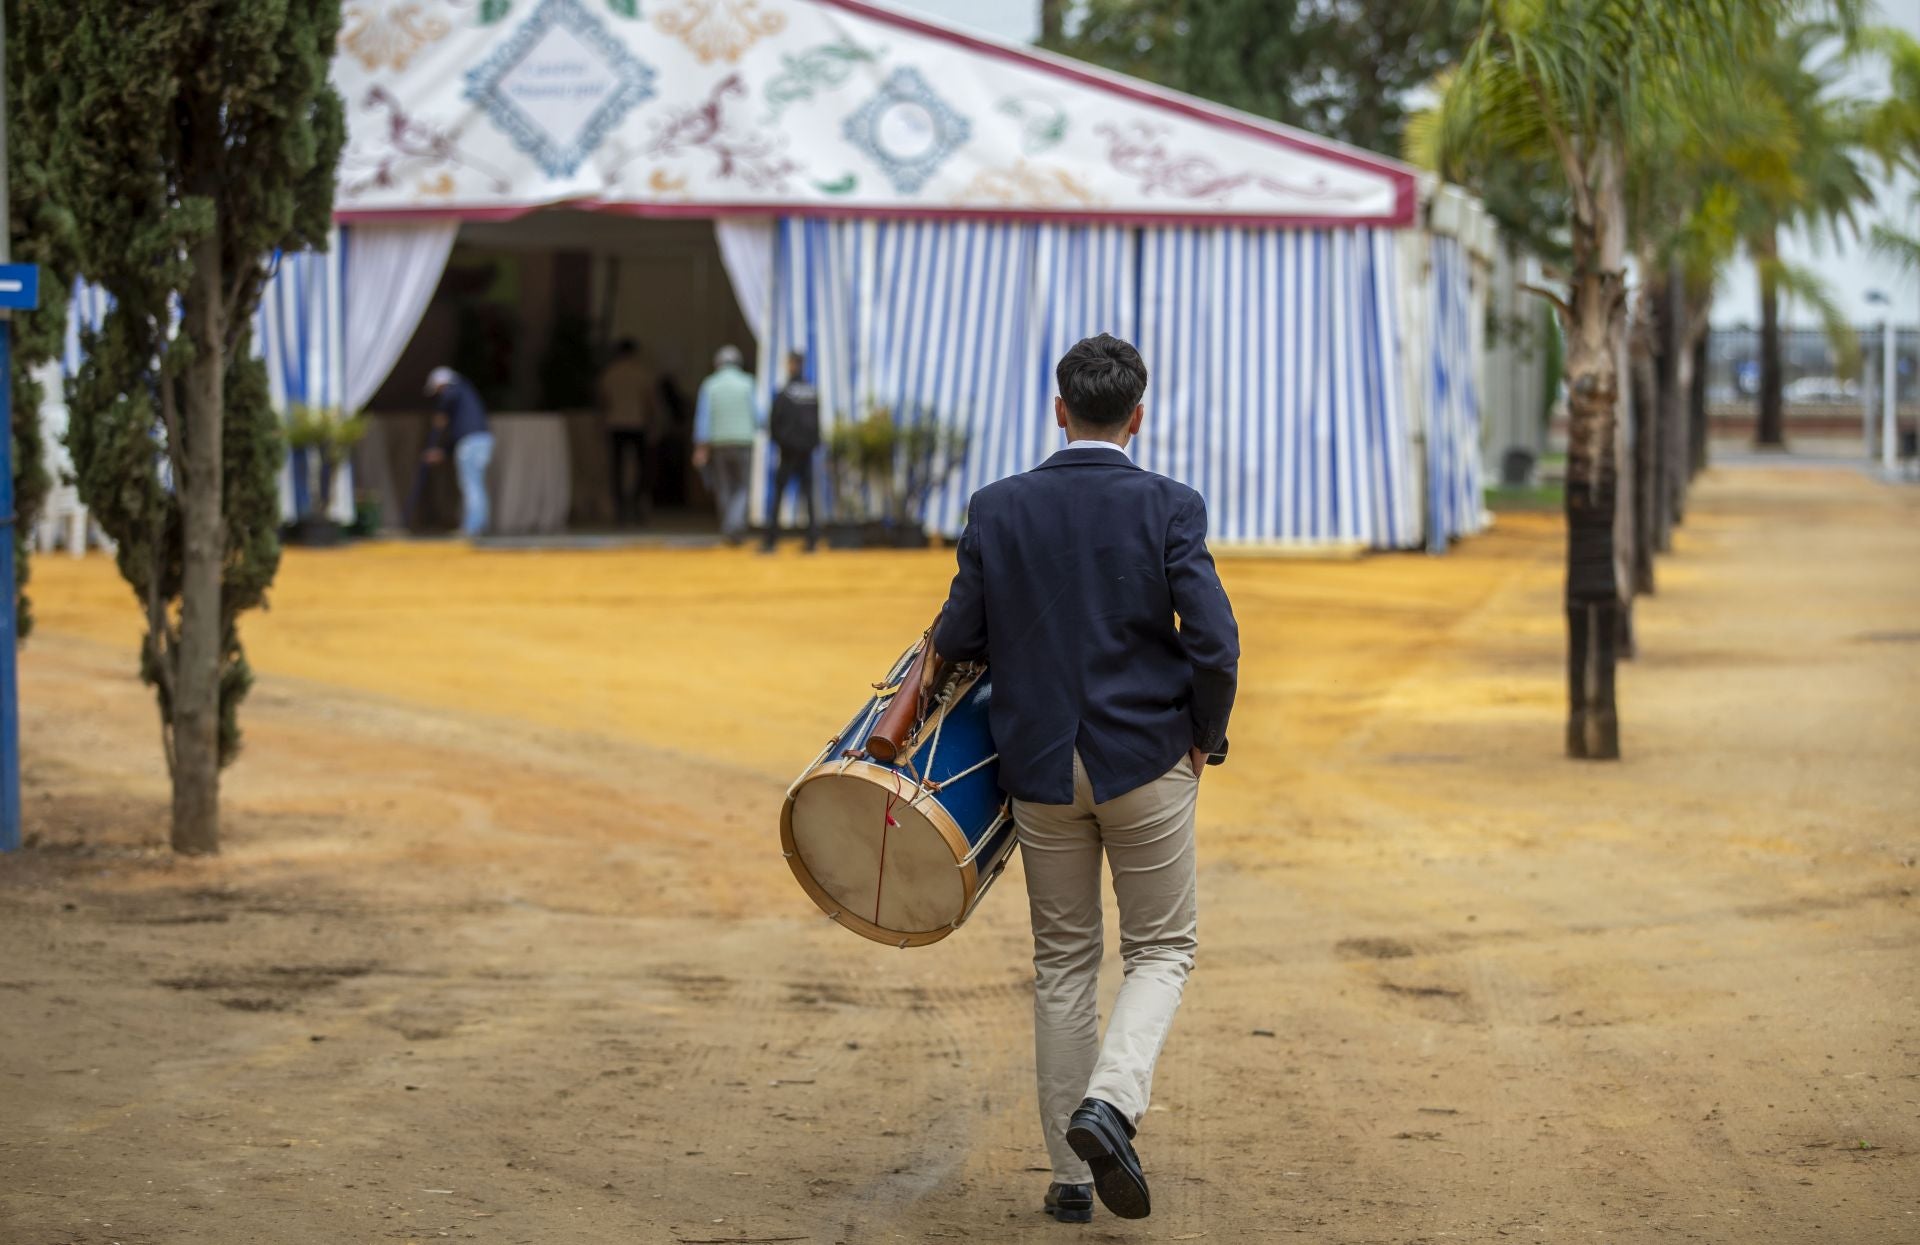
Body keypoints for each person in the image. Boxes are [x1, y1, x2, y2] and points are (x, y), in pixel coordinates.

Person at [929, 334, 1238, 1224]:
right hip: (1145, 758)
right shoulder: (1171, 505)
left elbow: (956, 638)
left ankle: (1070, 1174)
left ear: (1057, 410)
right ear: (1138, 417)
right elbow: (1216, 644)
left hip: (1036, 768)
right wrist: (1203, 738)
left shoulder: (997, 507)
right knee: (1162, 949)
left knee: (1063, 960)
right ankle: (1111, 1103)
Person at [691, 345, 758, 545]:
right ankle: (734, 524)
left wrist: (701, 446)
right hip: (744, 442)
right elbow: (759, 415)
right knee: (743, 487)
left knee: (724, 487)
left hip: (719, 443)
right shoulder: (747, 383)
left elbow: (703, 419)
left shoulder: (710, 385)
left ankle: (729, 526)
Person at [423, 366, 494, 539]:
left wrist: (441, 414)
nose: (439, 394)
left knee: (471, 484)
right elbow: (458, 431)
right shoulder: (464, 395)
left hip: (472, 444)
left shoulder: (457, 389)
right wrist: (443, 452)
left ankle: (472, 527)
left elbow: (449, 397)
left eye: (438, 390)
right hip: (481, 441)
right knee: (475, 484)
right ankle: (478, 524)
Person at [762, 350, 821, 553]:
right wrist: (811, 445)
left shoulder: (784, 393)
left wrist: (781, 442)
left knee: (779, 495)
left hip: (788, 451)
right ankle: (812, 541)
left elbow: (774, 422)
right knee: (808, 497)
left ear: (791, 365)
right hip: (805, 451)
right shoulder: (811, 392)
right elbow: (817, 424)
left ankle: (771, 542)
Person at [598, 339, 657, 526]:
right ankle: (637, 502)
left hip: (615, 423)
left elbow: (603, 401)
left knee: (617, 468)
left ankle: (620, 506)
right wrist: (652, 422)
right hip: (637, 423)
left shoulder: (610, 374)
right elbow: (649, 401)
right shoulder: (641, 373)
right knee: (642, 467)